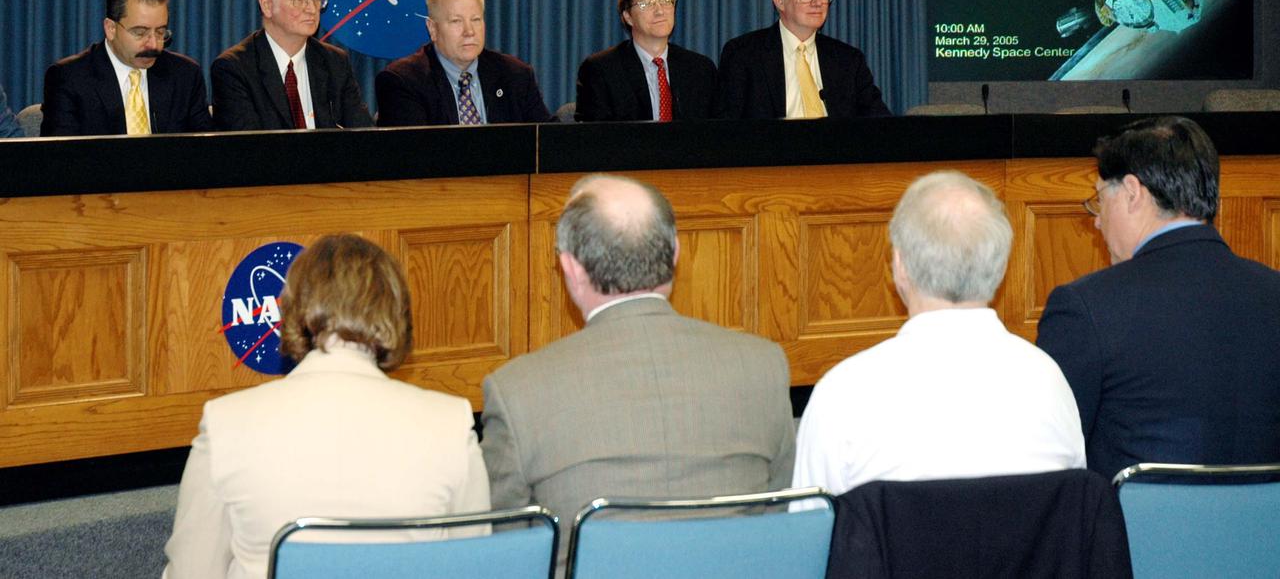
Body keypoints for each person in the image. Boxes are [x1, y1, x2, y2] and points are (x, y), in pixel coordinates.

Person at [481, 174, 795, 563]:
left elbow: (502, 553)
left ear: (570, 268)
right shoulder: (763, 367)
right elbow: (781, 523)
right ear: (676, 253)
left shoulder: (517, 392)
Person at [163, 234, 489, 579]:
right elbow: (476, 569)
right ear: (397, 311)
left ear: (290, 308)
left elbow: (191, 572)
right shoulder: (450, 424)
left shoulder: (225, 423)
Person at [791, 171, 1084, 498]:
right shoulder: (1050, 384)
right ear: (1001, 268)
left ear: (899, 266)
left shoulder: (841, 397)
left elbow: (810, 539)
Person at [1037, 116, 1280, 480]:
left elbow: (1046, 461)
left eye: (1099, 199)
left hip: (1133, 537)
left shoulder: (1084, 308)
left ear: (1133, 192)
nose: (1098, 221)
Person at [211, 0, 373, 130]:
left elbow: (364, 138)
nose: (312, 9)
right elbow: (247, 150)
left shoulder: (334, 62)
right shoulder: (235, 69)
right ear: (267, 4)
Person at [716, 0, 890, 119]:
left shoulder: (848, 60)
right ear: (779, 0)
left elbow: (879, 125)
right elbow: (728, 129)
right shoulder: (744, 54)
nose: (818, 2)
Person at [41, 0, 213, 136]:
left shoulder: (185, 75)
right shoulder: (70, 78)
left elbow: (205, 153)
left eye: (160, 32)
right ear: (111, 29)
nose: (153, 44)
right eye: (140, 32)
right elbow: (59, 159)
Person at [375, 0, 550, 126]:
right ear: (432, 28)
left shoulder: (515, 75)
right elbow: (410, 158)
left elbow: (545, 143)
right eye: (456, 21)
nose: (469, 31)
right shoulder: (403, 81)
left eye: (476, 20)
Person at [574, 0, 717, 121]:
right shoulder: (601, 70)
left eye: (666, 1)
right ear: (628, 16)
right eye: (647, 4)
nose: (660, 11)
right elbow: (594, 137)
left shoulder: (700, 69)